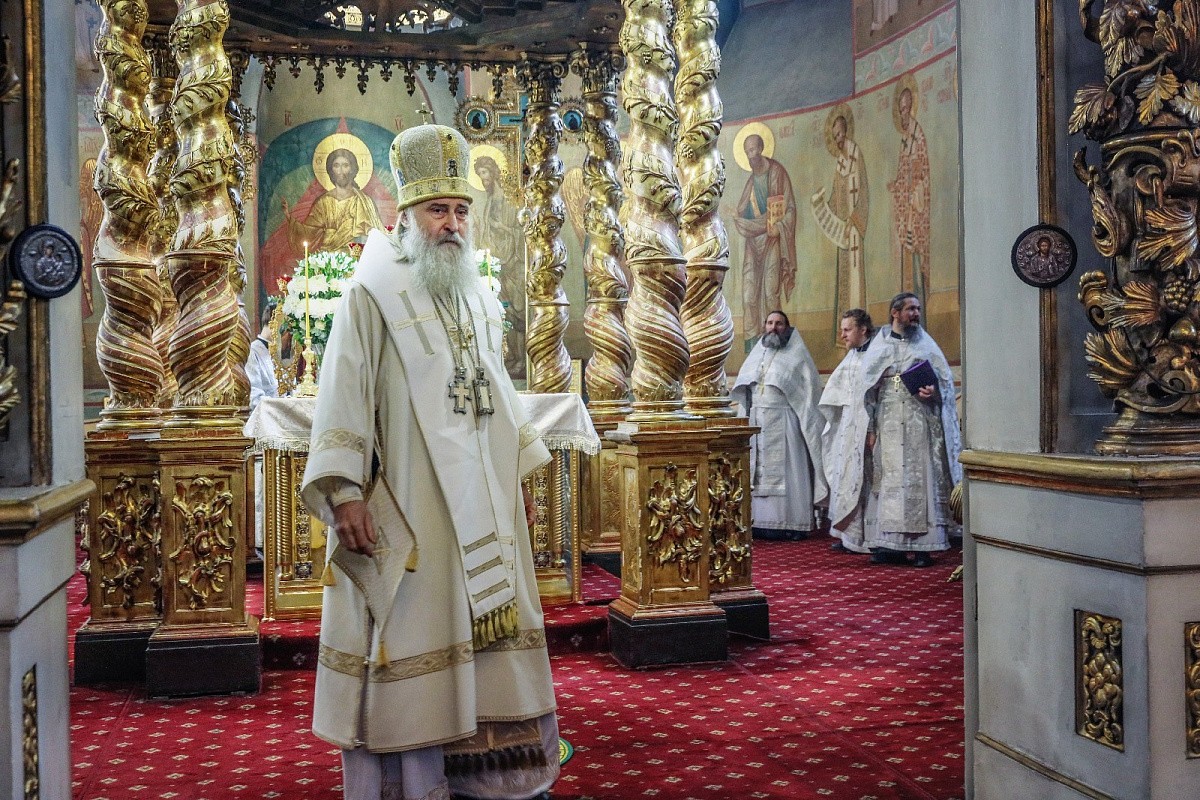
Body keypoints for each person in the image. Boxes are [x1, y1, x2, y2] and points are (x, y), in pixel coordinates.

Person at [300, 124, 558, 800]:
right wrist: (344, 492)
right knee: (415, 634)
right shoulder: (370, 292)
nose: (453, 224)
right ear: (406, 213)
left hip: (482, 506)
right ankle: (411, 783)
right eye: (438, 209)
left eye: (461, 210)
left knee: (485, 639)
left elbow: (497, 393)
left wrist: (516, 479)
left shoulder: (475, 293)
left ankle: (490, 780)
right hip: (411, 505)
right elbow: (343, 390)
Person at [861, 292, 962, 567]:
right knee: (888, 479)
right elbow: (867, 392)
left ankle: (922, 547)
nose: (916, 314)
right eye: (910, 309)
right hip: (889, 421)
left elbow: (944, 384)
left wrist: (934, 392)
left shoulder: (926, 344)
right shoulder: (879, 345)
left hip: (919, 419)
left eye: (917, 309)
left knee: (920, 478)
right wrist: (871, 428)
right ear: (895, 313)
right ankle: (888, 544)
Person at [732, 310, 828, 541]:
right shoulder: (758, 353)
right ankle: (758, 522)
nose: (773, 327)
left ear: (787, 327)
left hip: (786, 422)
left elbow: (808, 396)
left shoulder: (797, 355)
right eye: (770, 323)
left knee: (790, 471)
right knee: (758, 471)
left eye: (779, 323)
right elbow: (744, 389)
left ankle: (793, 523)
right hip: (757, 421)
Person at [818, 308, 875, 554]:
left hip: (866, 426)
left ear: (863, 329)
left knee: (866, 480)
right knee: (847, 477)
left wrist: (872, 428)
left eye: (847, 330)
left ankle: (866, 537)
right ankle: (848, 535)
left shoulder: (875, 355)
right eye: (842, 330)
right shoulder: (851, 356)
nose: (842, 335)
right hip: (848, 426)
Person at [812, 107, 869, 340]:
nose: (838, 139)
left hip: (854, 227)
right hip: (843, 231)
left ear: (847, 131)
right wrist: (821, 205)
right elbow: (836, 198)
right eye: (834, 136)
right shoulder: (839, 164)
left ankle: (860, 331)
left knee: (855, 276)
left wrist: (854, 220)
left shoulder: (856, 155)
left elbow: (863, 190)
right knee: (844, 278)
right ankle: (845, 333)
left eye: (840, 133)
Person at [734, 133, 797, 336]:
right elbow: (742, 211)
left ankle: (775, 340)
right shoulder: (751, 182)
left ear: (761, 149)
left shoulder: (777, 172)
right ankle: (752, 342)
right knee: (748, 295)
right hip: (753, 242)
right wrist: (739, 217)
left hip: (772, 240)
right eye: (747, 152)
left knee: (771, 293)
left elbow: (790, 208)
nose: (750, 155)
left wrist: (781, 226)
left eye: (753, 150)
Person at [472, 155, 526, 379]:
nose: (482, 178)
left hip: (512, 263)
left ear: (493, 172)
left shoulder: (507, 199)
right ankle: (512, 357)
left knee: (517, 312)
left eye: (484, 173)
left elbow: (517, 231)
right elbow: (487, 232)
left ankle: (522, 360)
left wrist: (499, 227)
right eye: (479, 175)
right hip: (496, 264)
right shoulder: (490, 199)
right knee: (505, 313)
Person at [283, 147, 386, 255]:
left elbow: (374, 235)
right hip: (329, 258)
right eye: (336, 165)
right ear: (331, 170)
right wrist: (289, 217)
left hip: (356, 258)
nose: (341, 170)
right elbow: (308, 233)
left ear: (352, 169)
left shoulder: (364, 202)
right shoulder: (323, 202)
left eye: (345, 165)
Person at [888, 81, 931, 312]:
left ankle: (917, 307)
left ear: (912, 107)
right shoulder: (905, 139)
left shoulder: (917, 136)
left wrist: (913, 193)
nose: (903, 113)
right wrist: (897, 186)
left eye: (906, 108)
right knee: (904, 256)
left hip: (916, 206)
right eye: (900, 109)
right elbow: (903, 172)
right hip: (906, 207)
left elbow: (921, 172)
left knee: (915, 255)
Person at [247, 302, 280, 412]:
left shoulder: (281, 354)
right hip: (265, 416)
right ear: (273, 324)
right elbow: (253, 396)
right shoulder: (252, 352)